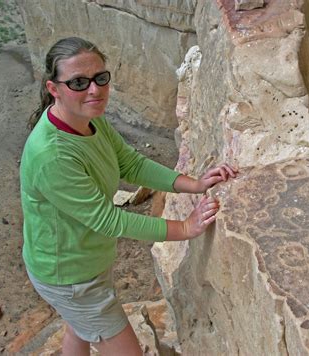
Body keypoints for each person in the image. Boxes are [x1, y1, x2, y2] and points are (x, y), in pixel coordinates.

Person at [20, 36, 237, 355]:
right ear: (54, 89)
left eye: (100, 78)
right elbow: (107, 220)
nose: (93, 90)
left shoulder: (88, 119)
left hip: (81, 261)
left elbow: (129, 163)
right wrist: (183, 229)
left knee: (80, 329)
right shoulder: (51, 155)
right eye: (78, 82)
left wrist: (194, 184)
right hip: (70, 276)